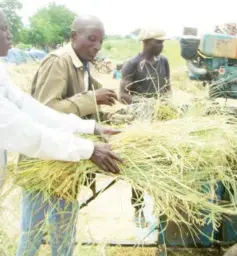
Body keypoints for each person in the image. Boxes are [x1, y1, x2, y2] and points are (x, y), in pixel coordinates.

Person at [18, 15, 122, 256]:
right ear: (74, 36)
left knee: (64, 234)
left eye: (101, 42)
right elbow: (46, 110)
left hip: (67, 161)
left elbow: (84, 111)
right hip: (42, 165)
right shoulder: (59, 62)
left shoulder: (83, 64)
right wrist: (91, 99)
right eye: (92, 39)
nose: (97, 46)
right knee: (32, 235)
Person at [119, 28, 171, 229]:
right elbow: (123, 94)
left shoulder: (163, 62)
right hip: (140, 124)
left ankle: (162, 211)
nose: (162, 45)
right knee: (139, 170)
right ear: (147, 42)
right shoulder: (132, 65)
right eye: (159, 42)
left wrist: (167, 107)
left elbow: (167, 88)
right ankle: (138, 210)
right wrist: (146, 104)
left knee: (163, 167)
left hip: (160, 123)